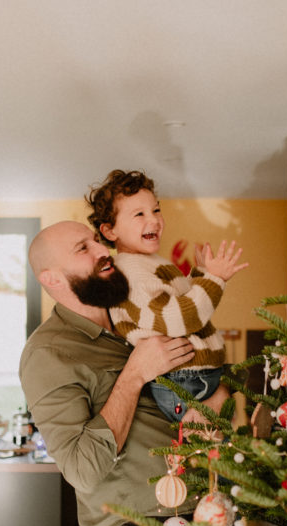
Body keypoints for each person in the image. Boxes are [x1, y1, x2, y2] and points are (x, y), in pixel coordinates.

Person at [19, 220, 227, 526]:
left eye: (97, 239)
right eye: (83, 247)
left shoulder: (140, 312)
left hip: (210, 517)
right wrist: (134, 374)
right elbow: (82, 468)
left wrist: (214, 403)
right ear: (52, 279)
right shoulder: (48, 353)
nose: (101, 248)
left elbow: (212, 380)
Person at [86, 169, 248, 421]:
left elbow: (177, 302)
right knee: (205, 445)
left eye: (156, 210)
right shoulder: (133, 273)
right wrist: (216, 279)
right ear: (109, 231)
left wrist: (201, 274)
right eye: (139, 214)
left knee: (215, 442)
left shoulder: (146, 263)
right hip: (185, 379)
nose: (154, 219)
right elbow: (180, 319)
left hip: (193, 375)